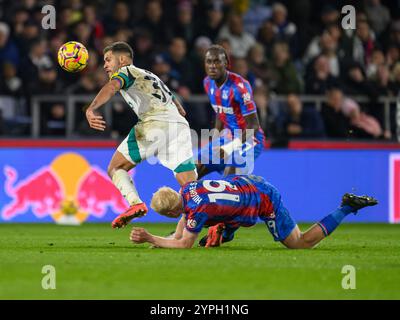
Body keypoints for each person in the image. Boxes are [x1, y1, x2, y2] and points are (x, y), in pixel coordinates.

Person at [85, 41, 197, 229]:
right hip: (179, 126)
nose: (105, 65)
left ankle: (135, 203)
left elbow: (112, 87)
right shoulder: (149, 74)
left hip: (155, 124)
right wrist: (176, 107)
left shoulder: (126, 71)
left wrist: (91, 109)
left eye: (108, 60)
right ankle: (216, 220)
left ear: (121, 59)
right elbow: (178, 105)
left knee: (115, 168)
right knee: (191, 187)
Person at [130, 175, 377, 249]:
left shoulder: (196, 210)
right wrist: (164, 242)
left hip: (262, 199)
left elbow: (184, 243)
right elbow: (179, 231)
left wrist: (152, 238)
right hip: (246, 185)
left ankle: (346, 207)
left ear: (172, 212)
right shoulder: (186, 190)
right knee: (214, 227)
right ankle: (225, 230)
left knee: (300, 243)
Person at [197, 45, 266, 179]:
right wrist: (215, 139)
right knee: (193, 168)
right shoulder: (207, 83)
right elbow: (220, 111)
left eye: (217, 61)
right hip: (228, 136)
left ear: (226, 63)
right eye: (209, 62)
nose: (212, 66)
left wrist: (229, 148)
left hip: (251, 139)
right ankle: (187, 199)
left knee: (230, 179)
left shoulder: (240, 87)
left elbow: (254, 126)